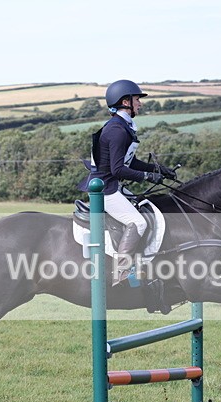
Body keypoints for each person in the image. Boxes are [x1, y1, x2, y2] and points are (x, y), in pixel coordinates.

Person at [77, 79, 176, 284]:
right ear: (125, 102)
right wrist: (148, 177)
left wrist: (158, 169)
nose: (140, 103)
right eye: (137, 99)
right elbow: (118, 169)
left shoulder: (122, 126)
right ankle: (121, 273)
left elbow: (131, 161)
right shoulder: (117, 130)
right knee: (137, 222)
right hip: (105, 189)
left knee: (145, 208)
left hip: (112, 185)